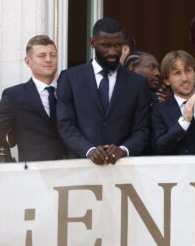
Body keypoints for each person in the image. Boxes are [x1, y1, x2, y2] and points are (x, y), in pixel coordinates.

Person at [57, 18, 151, 165]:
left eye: (117, 45)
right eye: (106, 46)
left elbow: (142, 130)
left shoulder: (137, 83)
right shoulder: (69, 78)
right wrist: (89, 150)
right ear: (92, 43)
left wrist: (124, 149)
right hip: (81, 168)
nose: (112, 52)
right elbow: (65, 125)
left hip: (123, 168)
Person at [0, 35, 65, 161]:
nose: (49, 59)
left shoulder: (70, 91)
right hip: (34, 173)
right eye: (42, 55)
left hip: (73, 168)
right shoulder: (14, 96)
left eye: (53, 55)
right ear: (28, 61)